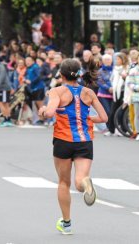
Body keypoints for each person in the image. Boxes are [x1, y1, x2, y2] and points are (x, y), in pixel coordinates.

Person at [38, 58, 107, 235]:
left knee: (63, 182)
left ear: (61, 74)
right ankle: (86, 183)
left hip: (63, 140)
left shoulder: (57, 91)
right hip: (84, 141)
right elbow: (104, 118)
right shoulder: (88, 92)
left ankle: (67, 224)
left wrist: (43, 111)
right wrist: (85, 119)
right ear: (77, 74)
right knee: (79, 180)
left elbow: (50, 113)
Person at [109, 53, 129, 136]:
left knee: (122, 112)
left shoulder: (127, 68)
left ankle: (124, 129)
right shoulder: (115, 69)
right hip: (115, 92)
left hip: (123, 92)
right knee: (112, 111)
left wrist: (125, 77)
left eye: (118, 59)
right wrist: (111, 86)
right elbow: (112, 79)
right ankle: (111, 130)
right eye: (116, 59)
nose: (116, 61)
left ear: (123, 60)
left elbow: (129, 80)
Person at [24, 56, 46, 123]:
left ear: (32, 61)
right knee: (36, 104)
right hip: (33, 88)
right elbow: (27, 76)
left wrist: (31, 81)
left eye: (29, 60)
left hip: (39, 87)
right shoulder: (28, 68)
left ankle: (43, 119)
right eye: (26, 61)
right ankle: (40, 118)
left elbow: (39, 76)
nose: (27, 62)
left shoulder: (35, 67)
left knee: (39, 104)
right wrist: (25, 79)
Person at [97, 54, 114, 135]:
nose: (107, 61)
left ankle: (113, 128)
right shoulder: (100, 71)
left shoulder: (115, 70)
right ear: (103, 61)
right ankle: (108, 128)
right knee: (107, 111)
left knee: (113, 112)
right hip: (104, 94)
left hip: (114, 94)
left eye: (109, 59)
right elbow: (100, 82)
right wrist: (108, 88)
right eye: (106, 60)